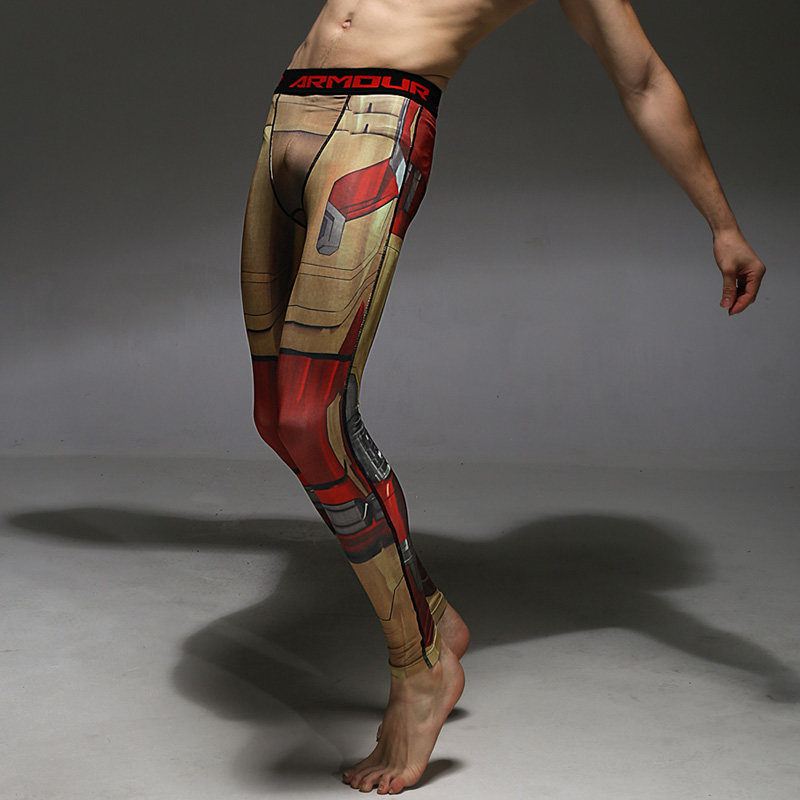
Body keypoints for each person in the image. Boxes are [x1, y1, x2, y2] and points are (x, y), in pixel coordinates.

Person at [239, 0, 766, 794]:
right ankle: (430, 613)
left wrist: (722, 223)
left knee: (309, 418)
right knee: (276, 419)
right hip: (289, 112)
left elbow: (644, 80)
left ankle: (420, 669)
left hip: (376, 126)